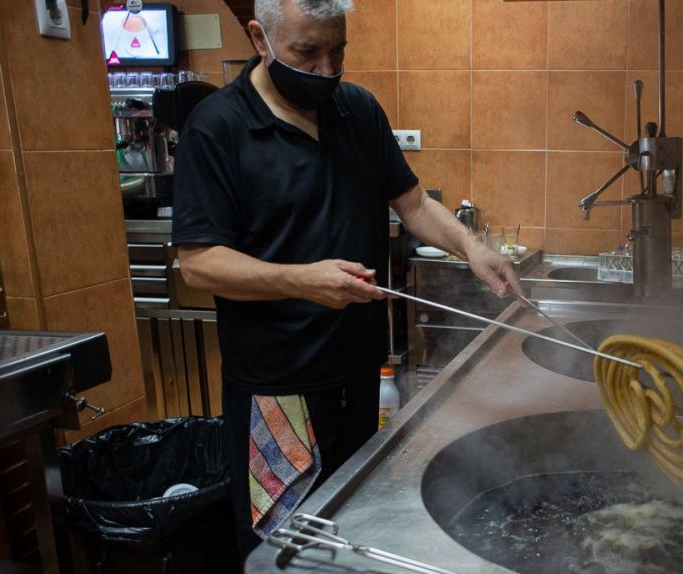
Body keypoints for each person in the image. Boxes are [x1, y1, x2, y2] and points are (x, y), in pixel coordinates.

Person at [170, 0, 521, 563]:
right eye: (308, 52)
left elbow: (412, 202)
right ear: (260, 39)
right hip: (279, 390)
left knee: (353, 536)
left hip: (358, 375)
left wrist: (473, 248)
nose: (328, 70)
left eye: (339, 51)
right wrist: (302, 281)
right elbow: (199, 262)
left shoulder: (357, 109)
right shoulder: (218, 127)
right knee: (285, 551)